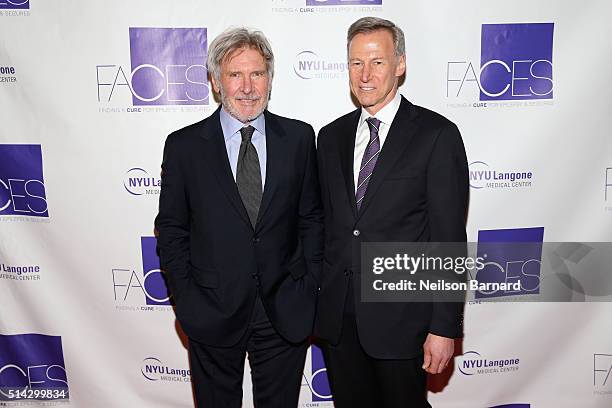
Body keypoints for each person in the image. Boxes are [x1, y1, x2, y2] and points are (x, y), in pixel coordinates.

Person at [155, 27, 323, 408]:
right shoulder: (184, 146)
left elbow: (311, 219)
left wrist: (309, 288)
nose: (248, 87)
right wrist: (187, 298)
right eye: (235, 75)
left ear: (269, 79)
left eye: (257, 74)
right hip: (211, 310)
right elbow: (171, 229)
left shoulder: (298, 138)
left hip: (284, 311)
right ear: (216, 82)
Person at [315, 17, 469, 407]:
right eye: (356, 63)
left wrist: (443, 327)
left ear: (400, 64)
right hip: (340, 322)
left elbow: (448, 237)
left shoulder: (437, 135)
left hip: (404, 323)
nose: (365, 75)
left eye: (377, 62)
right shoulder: (330, 137)